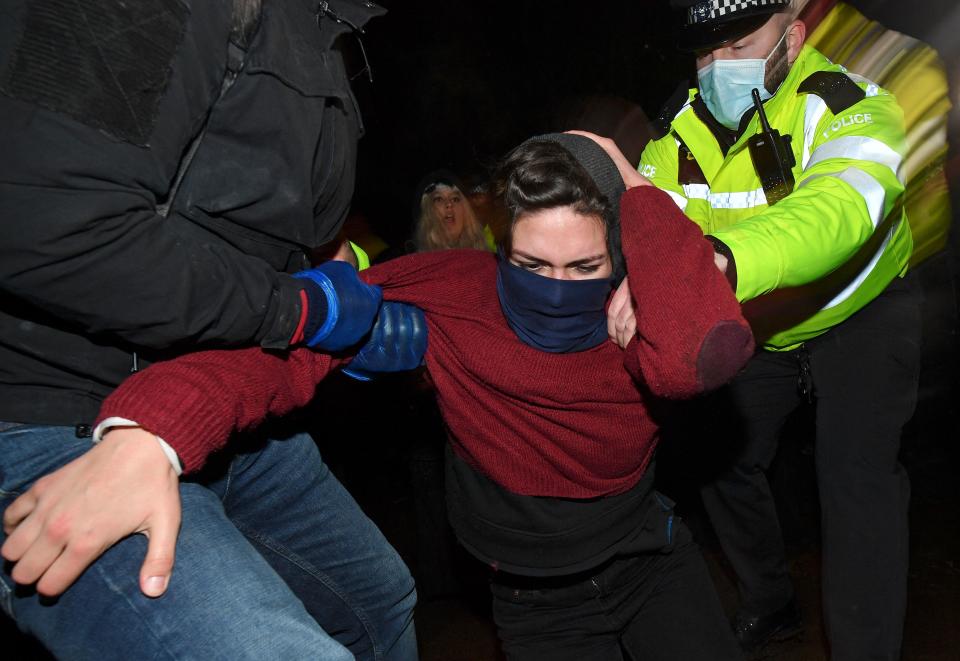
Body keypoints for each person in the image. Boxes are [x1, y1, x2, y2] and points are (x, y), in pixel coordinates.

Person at [82, 131, 755, 660]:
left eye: (583, 267)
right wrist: (152, 429)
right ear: (502, 244)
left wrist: (630, 181)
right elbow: (288, 342)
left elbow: (705, 354)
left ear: (618, 253)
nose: (556, 286)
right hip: (536, 603)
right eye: (531, 265)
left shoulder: (642, 309)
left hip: (652, 561)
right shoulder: (449, 289)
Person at [0, 1, 420, 659]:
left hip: (224, 404)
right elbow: (47, 227)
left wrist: (333, 285)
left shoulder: (325, 32)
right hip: (55, 407)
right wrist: (305, 312)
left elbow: (263, 226)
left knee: (380, 600)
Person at [638, 1, 919, 658]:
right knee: (713, 452)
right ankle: (770, 597)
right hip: (763, 322)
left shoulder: (849, 100)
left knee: (855, 478)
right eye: (707, 52)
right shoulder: (673, 132)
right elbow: (651, 221)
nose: (719, 68)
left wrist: (728, 259)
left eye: (739, 45)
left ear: (791, 37)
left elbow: (842, 204)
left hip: (862, 311)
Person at [412, 170, 491, 252]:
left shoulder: (486, 261)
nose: (449, 204)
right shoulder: (417, 263)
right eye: (439, 199)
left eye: (455, 199)